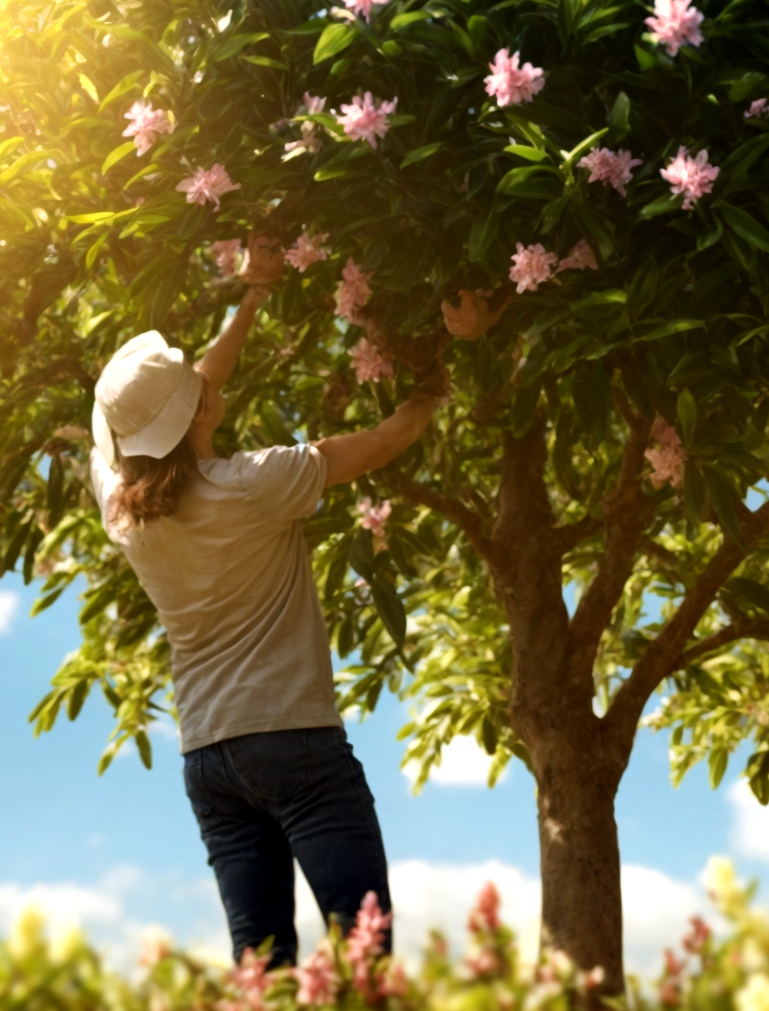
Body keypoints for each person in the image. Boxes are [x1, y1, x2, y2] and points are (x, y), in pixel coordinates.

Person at [87, 235, 464, 967]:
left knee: (263, 971)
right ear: (197, 410)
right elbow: (384, 441)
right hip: (294, 741)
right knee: (365, 957)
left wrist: (254, 296)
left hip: (209, 757)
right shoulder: (257, 483)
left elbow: (183, 403)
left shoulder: (121, 508)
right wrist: (445, 365)